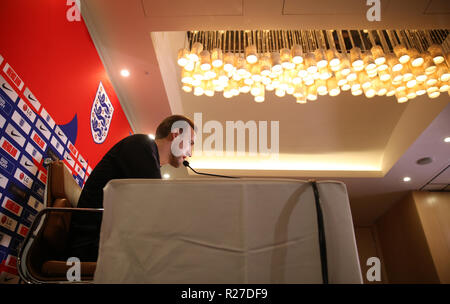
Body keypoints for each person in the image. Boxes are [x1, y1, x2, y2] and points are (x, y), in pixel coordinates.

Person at [67, 115, 196, 262]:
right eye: (190, 143)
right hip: (90, 246)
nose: (190, 153)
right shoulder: (141, 145)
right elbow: (159, 212)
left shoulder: (146, 153)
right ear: (176, 135)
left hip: (103, 243)